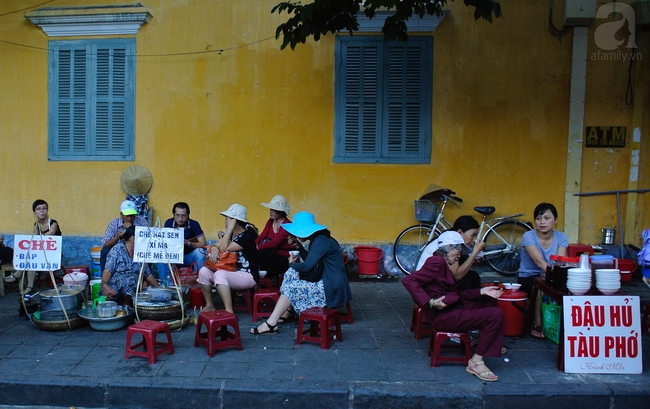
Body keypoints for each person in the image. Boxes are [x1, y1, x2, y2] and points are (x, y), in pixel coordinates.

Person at [403, 231, 505, 382]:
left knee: (488, 300)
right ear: (449, 246)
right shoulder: (436, 262)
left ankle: (486, 342)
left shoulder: (443, 262)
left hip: (453, 307)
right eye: (458, 250)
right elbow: (409, 280)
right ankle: (476, 362)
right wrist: (429, 302)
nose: (459, 255)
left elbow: (456, 294)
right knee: (495, 315)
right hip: (443, 316)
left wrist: (481, 291)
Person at [251, 211, 352, 335]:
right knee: (291, 275)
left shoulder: (320, 241)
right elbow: (311, 259)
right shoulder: (319, 239)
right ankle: (288, 309)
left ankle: (272, 322)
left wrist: (290, 264)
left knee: (291, 286)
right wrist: (299, 246)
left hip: (331, 286)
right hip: (327, 280)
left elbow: (307, 266)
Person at [518, 203, 568, 339]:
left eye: (547, 218)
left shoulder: (561, 237)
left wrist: (557, 277)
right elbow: (539, 261)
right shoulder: (528, 236)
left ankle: (566, 324)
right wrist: (554, 277)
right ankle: (537, 323)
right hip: (529, 276)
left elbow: (560, 261)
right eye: (539, 218)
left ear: (556, 220)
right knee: (541, 286)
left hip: (550, 275)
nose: (542, 222)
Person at [197, 204, 259, 313]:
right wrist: (215, 249)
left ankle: (229, 311)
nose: (225, 222)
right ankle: (210, 305)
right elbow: (217, 245)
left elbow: (225, 247)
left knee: (219, 274)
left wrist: (229, 229)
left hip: (247, 275)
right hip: (231, 272)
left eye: (227, 220)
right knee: (204, 271)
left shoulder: (246, 236)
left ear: (234, 221)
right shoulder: (229, 235)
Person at [4, 199, 62, 295]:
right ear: (34, 212)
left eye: (44, 208)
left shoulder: (53, 223)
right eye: (38, 209)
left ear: (47, 210)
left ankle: (17, 275)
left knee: (34, 257)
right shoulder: (36, 224)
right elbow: (34, 238)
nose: (42, 211)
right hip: (40, 252)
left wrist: (38, 237)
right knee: (32, 258)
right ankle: (29, 286)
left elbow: (50, 233)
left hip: (53, 253)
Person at [416, 215, 486, 291]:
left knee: (473, 276)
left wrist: (472, 260)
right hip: (427, 285)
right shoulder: (450, 243)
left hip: (437, 279)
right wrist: (475, 253)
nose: (474, 240)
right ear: (459, 232)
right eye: (473, 235)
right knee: (465, 285)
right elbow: (456, 276)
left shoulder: (453, 240)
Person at [101, 225, 159, 306]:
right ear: (134, 238)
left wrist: (159, 289)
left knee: (137, 288)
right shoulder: (117, 250)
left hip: (132, 286)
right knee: (109, 296)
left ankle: (127, 306)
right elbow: (108, 270)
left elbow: (148, 274)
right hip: (116, 283)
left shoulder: (140, 253)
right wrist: (104, 285)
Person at [158, 202, 207, 284]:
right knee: (161, 255)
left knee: (200, 252)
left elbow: (203, 243)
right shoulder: (169, 223)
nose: (180, 219)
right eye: (177, 215)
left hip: (188, 257)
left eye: (183, 215)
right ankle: (166, 284)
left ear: (188, 215)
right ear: (173, 215)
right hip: (174, 257)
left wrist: (189, 244)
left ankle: (199, 282)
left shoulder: (194, 224)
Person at [100, 200, 148, 273]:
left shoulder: (141, 221)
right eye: (127, 215)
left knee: (148, 252)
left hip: (136, 249)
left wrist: (132, 228)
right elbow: (105, 244)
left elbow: (146, 240)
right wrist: (116, 237)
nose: (129, 218)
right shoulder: (114, 223)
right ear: (121, 215)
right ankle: (104, 279)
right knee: (105, 251)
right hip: (117, 251)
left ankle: (145, 277)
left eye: (132, 215)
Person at [255, 195, 295, 281]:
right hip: (272, 255)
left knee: (262, 255)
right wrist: (253, 244)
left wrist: (257, 247)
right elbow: (263, 236)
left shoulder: (287, 225)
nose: (271, 212)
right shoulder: (271, 221)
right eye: (270, 209)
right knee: (259, 255)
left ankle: (266, 281)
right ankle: (265, 282)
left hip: (286, 258)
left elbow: (274, 243)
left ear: (281, 212)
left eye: (274, 210)